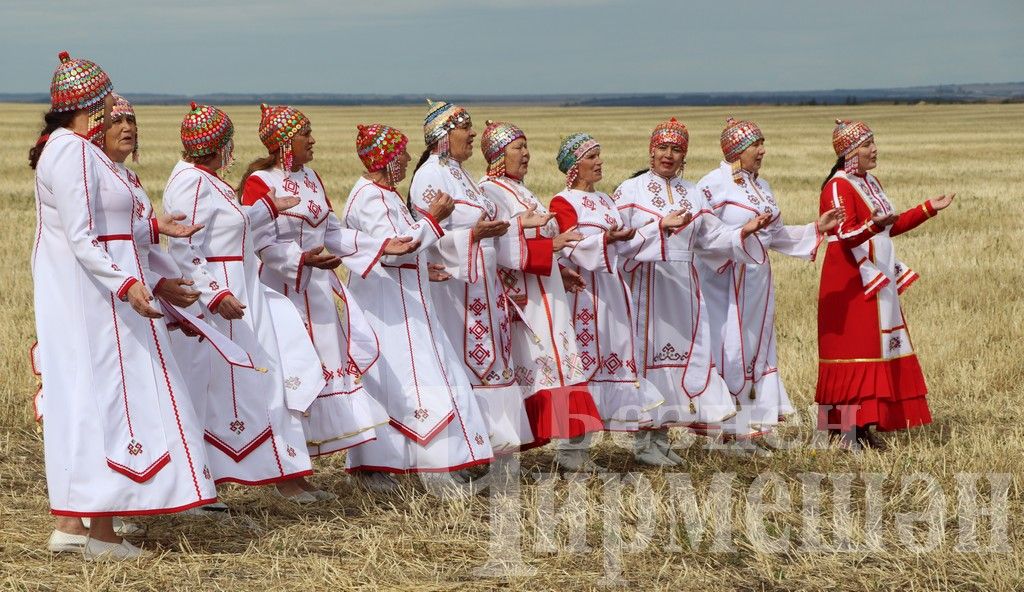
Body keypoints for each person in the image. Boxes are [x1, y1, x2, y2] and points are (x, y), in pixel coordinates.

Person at [31, 53, 216, 560]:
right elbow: (84, 237)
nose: (116, 104)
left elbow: (110, 229)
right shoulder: (69, 151)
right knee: (105, 403)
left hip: (99, 296)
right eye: (109, 96)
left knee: (91, 402)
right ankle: (102, 535)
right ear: (91, 102)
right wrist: (128, 286)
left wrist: (154, 251)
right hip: (94, 303)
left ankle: (73, 523)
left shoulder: (76, 150)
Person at [163, 103, 329, 501]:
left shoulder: (206, 179)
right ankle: (203, 485)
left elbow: (226, 225)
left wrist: (266, 209)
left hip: (240, 288)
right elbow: (184, 244)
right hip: (221, 299)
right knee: (222, 387)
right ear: (220, 144)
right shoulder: (191, 182)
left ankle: (280, 472)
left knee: (261, 379)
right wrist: (213, 293)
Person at [238, 104, 414, 461]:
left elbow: (331, 231)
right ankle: (287, 466)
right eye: (306, 134)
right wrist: (300, 259)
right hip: (282, 291)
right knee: (293, 372)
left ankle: (305, 460)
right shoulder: (261, 182)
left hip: (317, 291)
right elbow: (257, 241)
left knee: (321, 368)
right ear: (286, 141)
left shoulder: (313, 178)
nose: (313, 140)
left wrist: (379, 246)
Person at [341, 123, 494, 493]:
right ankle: (415, 468)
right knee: (412, 384)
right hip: (390, 312)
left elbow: (401, 249)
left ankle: (416, 465)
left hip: (405, 304)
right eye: (401, 154)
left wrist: (425, 267)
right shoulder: (371, 198)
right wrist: (433, 219)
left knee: (424, 380)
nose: (409, 159)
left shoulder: (384, 195)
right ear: (386, 159)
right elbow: (394, 251)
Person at [613, 119, 773, 462]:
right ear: (651, 150)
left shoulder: (692, 192)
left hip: (684, 287)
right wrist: (658, 226)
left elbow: (711, 237)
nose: (669, 156)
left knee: (678, 362)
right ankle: (643, 440)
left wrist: (743, 231)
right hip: (649, 284)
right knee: (647, 357)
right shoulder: (631, 190)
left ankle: (663, 436)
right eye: (663, 149)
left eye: (676, 150)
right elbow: (619, 240)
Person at [409, 100, 551, 456]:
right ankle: (463, 446)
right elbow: (427, 236)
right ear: (443, 135)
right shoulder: (430, 176)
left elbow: (487, 228)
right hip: (455, 287)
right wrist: (473, 236)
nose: (472, 134)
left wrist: (518, 225)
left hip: (483, 285)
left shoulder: (461, 174)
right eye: (464, 127)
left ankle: (492, 445)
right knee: (468, 363)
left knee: (490, 361)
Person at [547, 132, 690, 470]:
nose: (599, 162)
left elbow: (626, 246)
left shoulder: (607, 202)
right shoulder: (562, 201)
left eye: (599, 155)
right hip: (583, 294)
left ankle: (588, 447)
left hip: (612, 293)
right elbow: (568, 246)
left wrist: (660, 227)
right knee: (585, 366)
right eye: (591, 156)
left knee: (613, 363)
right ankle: (572, 450)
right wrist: (604, 240)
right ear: (574, 165)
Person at [696, 118, 841, 446]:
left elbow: (775, 236)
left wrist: (817, 228)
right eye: (755, 145)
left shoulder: (762, 187)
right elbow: (701, 237)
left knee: (756, 349)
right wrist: (739, 235)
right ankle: (722, 427)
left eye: (762, 143)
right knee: (727, 348)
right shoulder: (711, 185)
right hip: (723, 282)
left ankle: (749, 427)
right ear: (736, 150)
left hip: (757, 283)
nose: (762, 151)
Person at [816, 119, 953, 450]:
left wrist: (926, 209)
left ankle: (863, 427)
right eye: (866, 144)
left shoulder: (869, 182)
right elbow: (845, 234)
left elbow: (887, 228)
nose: (874, 149)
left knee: (874, 350)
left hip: (877, 279)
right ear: (849, 152)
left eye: (873, 142)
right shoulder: (837, 186)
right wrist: (871, 224)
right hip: (850, 280)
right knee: (853, 352)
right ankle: (845, 432)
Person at [476, 120, 603, 453]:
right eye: (518, 147)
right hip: (523, 298)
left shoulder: (521, 189)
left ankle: (573, 449)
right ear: (497, 154)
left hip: (547, 289)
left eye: (526, 146)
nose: (526, 154)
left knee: (562, 363)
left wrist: (559, 269)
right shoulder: (489, 192)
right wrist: (555, 247)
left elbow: (539, 237)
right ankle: (524, 448)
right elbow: (501, 247)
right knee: (538, 368)